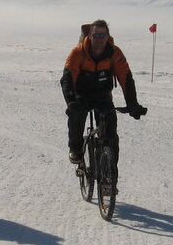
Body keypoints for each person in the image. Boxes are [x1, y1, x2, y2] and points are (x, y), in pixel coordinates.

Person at [60, 19, 145, 176]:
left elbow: (125, 78)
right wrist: (71, 101)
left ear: (108, 36)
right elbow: (67, 79)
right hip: (81, 96)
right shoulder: (77, 53)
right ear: (90, 36)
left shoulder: (115, 53)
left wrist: (133, 104)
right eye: (96, 35)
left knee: (111, 136)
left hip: (103, 97)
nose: (99, 39)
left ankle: (110, 175)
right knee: (76, 115)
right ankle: (76, 149)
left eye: (102, 35)